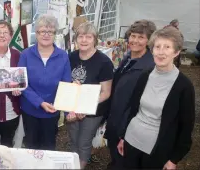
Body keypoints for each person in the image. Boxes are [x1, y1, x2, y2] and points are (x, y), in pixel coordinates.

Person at [117, 27, 195, 169]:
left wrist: (174, 159)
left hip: (157, 151)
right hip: (131, 141)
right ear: (152, 50)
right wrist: (123, 137)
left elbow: (186, 126)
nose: (161, 52)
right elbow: (133, 109)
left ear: (176, 52)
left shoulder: (183, 86)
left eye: (167, 47)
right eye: (157, 47)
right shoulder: (145, 75)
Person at [104, 19, 156, 169]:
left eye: (141, 37)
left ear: (148, 41)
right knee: (115, 157)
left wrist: (125, 134)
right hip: (116, 119)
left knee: (124, 162)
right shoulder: (128, 58)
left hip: (128, 126)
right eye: (133, 36)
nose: (135, 40)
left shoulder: (148, 67)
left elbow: (139, 104)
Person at [18, 14, 72, 150]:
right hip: (30, 109)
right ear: (36, 34)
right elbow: (22, 83)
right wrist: (40, 102)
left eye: (50, 31)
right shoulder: (25, 54)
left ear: (55, 34)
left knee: (49, 146)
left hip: (52, 110)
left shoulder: (63, 56)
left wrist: (67, 112)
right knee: (31, 145)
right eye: (42, 31)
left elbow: (66, 83)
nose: (46, 35)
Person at [66, 22, 113, 169]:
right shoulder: (71, 57)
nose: (84, 40)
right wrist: (70, 109)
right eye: (81, 36)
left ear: (95, 39)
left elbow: (106, 92)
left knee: (84, 142)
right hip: (73, 108)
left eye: (88, 37)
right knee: (73, 140)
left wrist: (84, 107)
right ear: (76, 39)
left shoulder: (104, 62)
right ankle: (74, 164)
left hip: (92, 111)